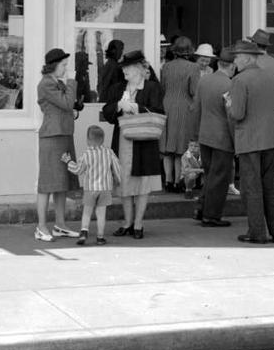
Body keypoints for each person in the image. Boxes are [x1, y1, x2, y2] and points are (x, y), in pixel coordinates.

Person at [226, 39, 274, 244]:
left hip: (250, 140)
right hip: (272, 138)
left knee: (252, 188)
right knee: (270, 187)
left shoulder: (240, 80)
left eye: (236, 57)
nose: (234, 61)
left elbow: (237, 113)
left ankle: (257, 233)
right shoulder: (272, 77)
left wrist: (229, 104)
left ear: (247, 57)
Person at [101, 49, 164, 239]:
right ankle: (127, 222)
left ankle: (138, 224)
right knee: (124, 184)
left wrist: (137, 107)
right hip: (122, 141)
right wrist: (119, 106)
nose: (124, 71)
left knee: (142, 185)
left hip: (143, 143)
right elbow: (107, 112)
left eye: (127, 68)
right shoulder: (118, 88)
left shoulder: (152, 87)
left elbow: (159, 111)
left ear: (138, 68)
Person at [35, 48, 82, 242]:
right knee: (47, 184)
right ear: (54, 66)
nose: (66, 69)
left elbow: (66, 106)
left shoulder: (56, 83)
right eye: (63, 65)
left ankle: (60, 225)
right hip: (52, 138)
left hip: (63, 135)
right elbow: (66, 103)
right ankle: (41, 227)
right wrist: (72, 83)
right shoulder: (46, 84)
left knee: (62, 183)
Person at [193, 46, 236, 227]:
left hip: (205, 135)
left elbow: (196, 108)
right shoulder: (230, 85)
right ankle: (211, 216)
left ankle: (202, 208)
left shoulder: (204, 81)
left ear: (217, 63)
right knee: (220, 178)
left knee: (210, 175)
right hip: (222, 138)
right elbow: (231, 115)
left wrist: (195, 134)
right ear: (232, 66)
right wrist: (236, 140)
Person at [61, 124, 122, 245]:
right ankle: (100, 237)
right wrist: (118, 180)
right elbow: (117, 167)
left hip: (90, 188)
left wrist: (68, 161)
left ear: (88, 140)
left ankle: (84, 231)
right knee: (101, 213)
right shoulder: (109, 153)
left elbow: (78, 169)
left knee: (87, 212)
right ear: (103, 139)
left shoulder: (86, 155)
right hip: (105, 189)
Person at [159, 36, 201, 192]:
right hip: (184, 107)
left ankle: (168, 181)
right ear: (189, 51)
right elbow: (193, 91)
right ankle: (178, 181)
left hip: (167, 105)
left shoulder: (167, 67)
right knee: (180, 148)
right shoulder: (193, 67)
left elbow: (163, 88)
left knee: (167, 147)